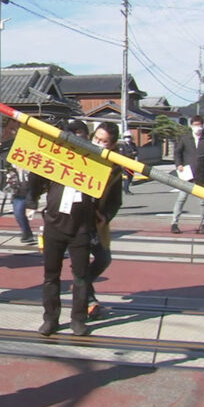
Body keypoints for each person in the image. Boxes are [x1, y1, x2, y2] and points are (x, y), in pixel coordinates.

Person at [26, 119, 95, 337]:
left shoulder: (94, 161)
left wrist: (103, 216)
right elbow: (34, 179)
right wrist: (31, 201)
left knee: (81, 276)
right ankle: (50, 318)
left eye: (79, 134)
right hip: (54, 223)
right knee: (50, 274)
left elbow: (109, 195)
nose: (75, 137)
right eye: (70, 134)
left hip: (82, 226)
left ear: (86, 136)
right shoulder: (54, 158)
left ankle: (78, 319)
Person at [87, 122, 123, 320]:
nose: (98, 143)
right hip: (75, 220)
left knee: (104, 258)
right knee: (80, 264)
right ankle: (89, 301)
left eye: (104, 142)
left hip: (97, 222)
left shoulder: (115, 167)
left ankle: (82, 287)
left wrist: (106, 216)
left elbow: (116, 201)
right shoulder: (79, 154)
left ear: (113, 145)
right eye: (96, 139)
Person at [170, 115, 204, 235]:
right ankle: (174, 223)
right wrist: (178, 164)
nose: (198, 127)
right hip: (186, 173)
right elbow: (177, 153)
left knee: (203, 201)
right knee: (181, 199)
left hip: (201, 173)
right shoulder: (185, 138)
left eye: (200, 125)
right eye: (195, 125)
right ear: (191, 125)